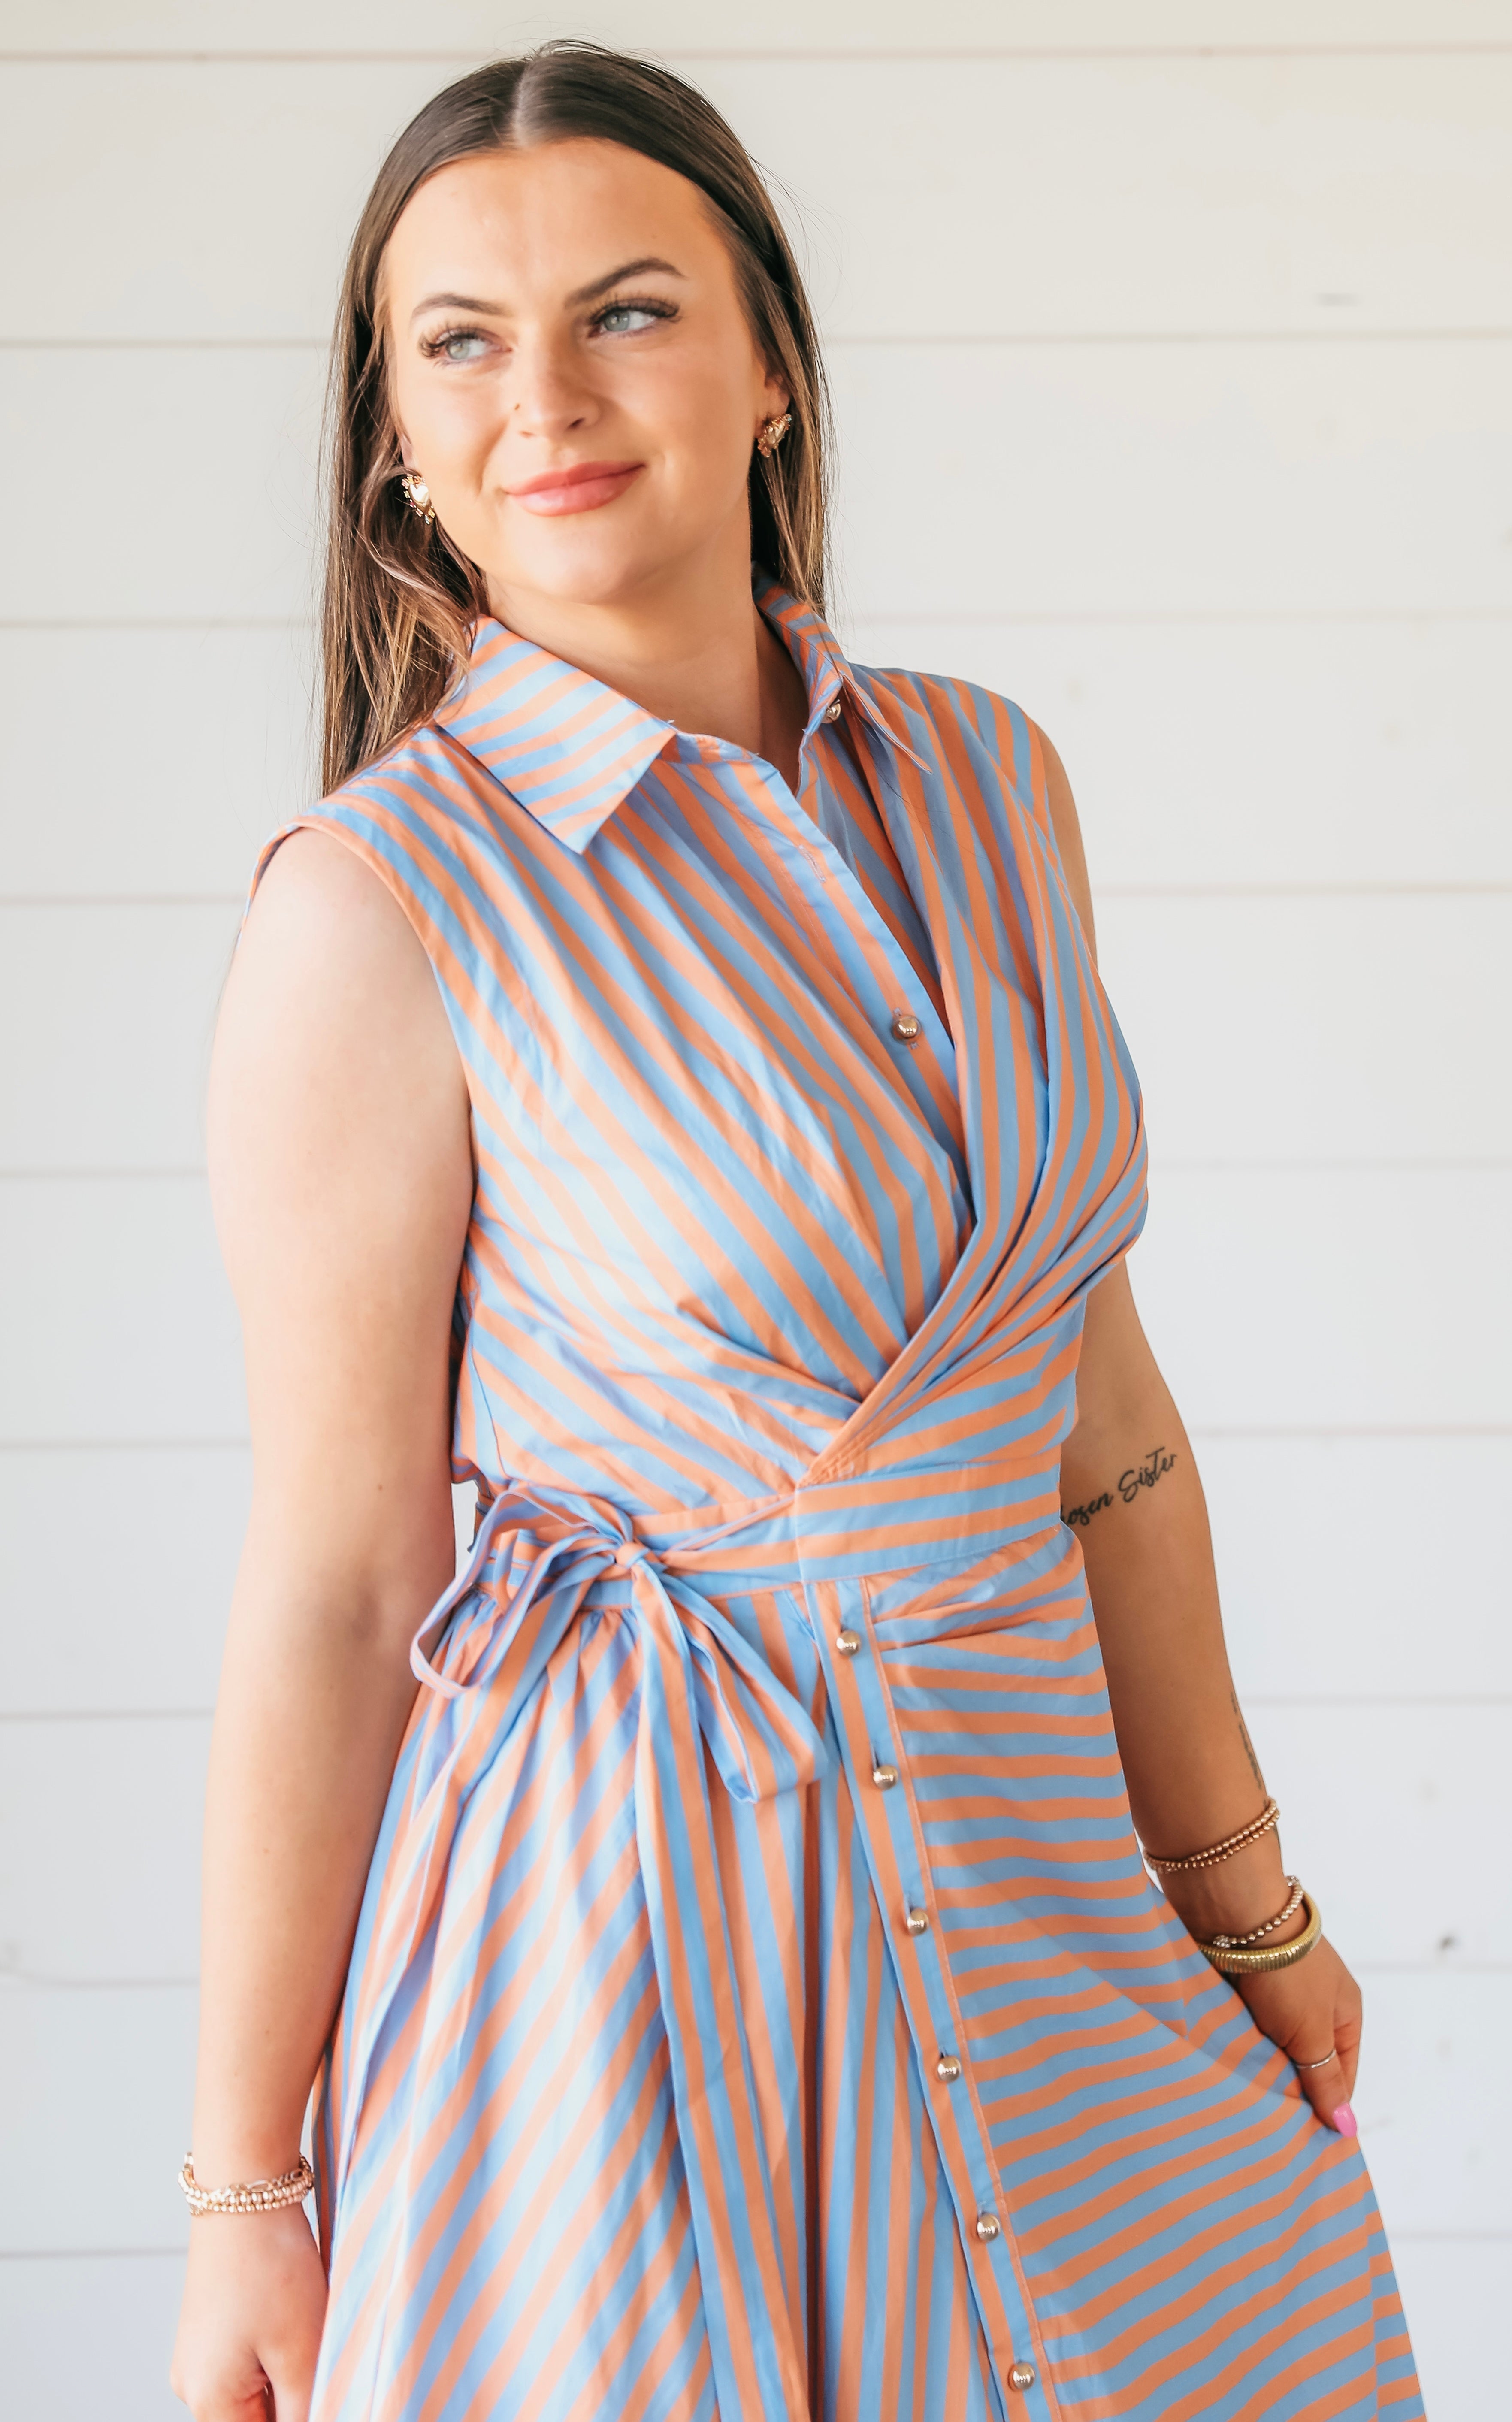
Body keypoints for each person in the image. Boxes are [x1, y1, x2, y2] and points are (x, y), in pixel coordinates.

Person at [170, 42, 1421, 2422]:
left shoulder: (986, 783)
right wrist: (249, 2193)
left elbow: (1102, 1417)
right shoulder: (376, 912)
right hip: (635, 1961)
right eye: (459, 340)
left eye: (626, 311)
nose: (543, 391)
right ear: (395, 444)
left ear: (766, 373)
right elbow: (338, 1584)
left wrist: (1240, 1894)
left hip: (1055, 1879)